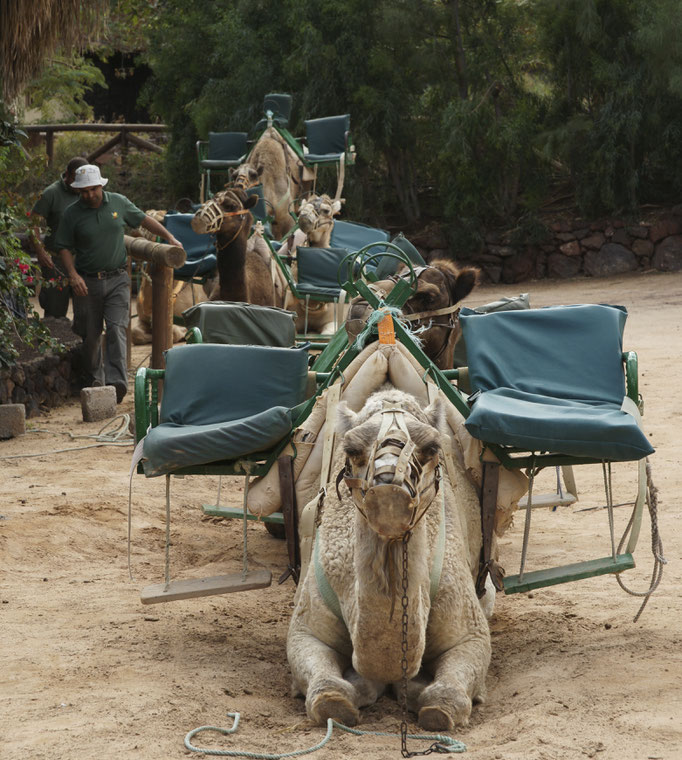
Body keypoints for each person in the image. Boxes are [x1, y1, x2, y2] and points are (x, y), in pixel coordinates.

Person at [55, 164, 183, 403]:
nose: (89, 195)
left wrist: (169, 237)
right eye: (83, 191)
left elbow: (144, 220)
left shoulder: (118, 202)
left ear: (101, 186)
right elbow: (62, 246)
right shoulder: (71, 214)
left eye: (93, 189)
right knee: (91, 335)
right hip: (87, 281)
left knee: (117, 329)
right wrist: (73, 275)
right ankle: (95, 379)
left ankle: (117, 383)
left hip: (116, 279)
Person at [30, 156, 89, 332]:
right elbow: (32, 223)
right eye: (77, 181)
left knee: (86, 311)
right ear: (69, 176)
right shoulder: (51, 193)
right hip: (56, 260)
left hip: (83, 260)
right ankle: (54, 355)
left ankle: (83, 353)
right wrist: (40, 252)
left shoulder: (88, 192)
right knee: (55, 312)